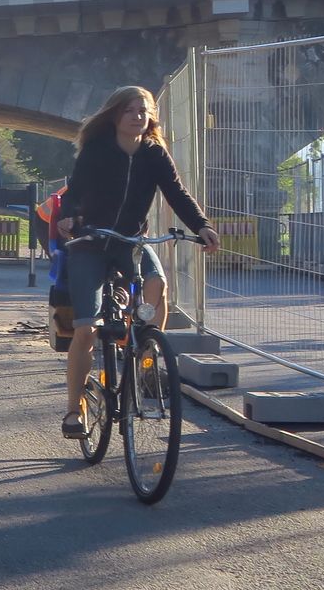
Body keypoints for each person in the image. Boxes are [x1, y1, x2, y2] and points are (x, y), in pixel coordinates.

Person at [54, 85, 220, 438]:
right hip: (91, 242)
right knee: (87, 328)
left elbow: (177, 192)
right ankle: (73, 412)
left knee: (157, 280)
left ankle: (146, 352)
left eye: (143, 111)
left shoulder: (154, 155)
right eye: (130, 110)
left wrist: (201, 226)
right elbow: (76, 190)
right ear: (115, 115)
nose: (138, 116)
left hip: (130, 241)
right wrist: (68, 218)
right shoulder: (98, 150)